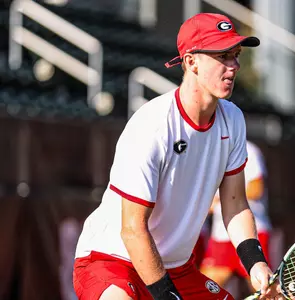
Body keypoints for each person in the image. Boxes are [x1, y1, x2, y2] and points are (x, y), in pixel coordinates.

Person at [72, 13, 283, 300]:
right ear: (191, 61)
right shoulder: (153, 125)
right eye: (222, 56)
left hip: (177, 268)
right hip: (111, 260)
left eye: (236, 55)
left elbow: (235, 205)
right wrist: (165, 295)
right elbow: (133, 230)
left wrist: (256, 265)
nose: (233, 66)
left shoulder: (233, 119)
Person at [200, 140, 272, 294]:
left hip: (252, 233)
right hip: (221, 236)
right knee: (202, 291)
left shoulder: (249, 150)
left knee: (265, 291)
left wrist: (221, 199)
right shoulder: (210, 150)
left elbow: (256, 188)